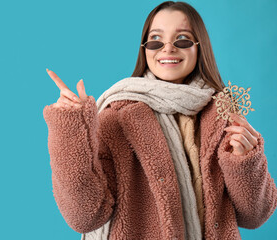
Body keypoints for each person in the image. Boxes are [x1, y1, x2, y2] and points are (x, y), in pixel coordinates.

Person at [43, 1, 277, 239]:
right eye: (156, 40)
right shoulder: (117, 119)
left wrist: (245, 162)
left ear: (200, 47)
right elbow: (85, 216)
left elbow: (255, 216)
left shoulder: (222, 116)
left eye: (182, 39)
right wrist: (70, 130)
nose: (168, 49)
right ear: (145, 49)